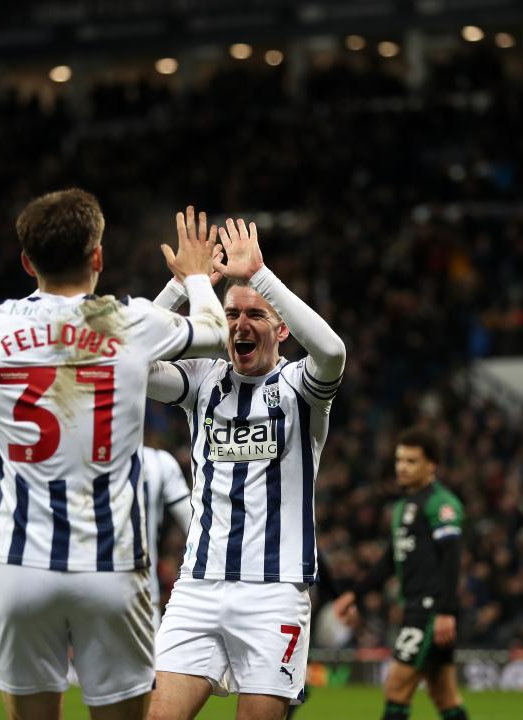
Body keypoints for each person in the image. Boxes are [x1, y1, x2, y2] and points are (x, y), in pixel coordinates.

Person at [0, 190, 228, 720]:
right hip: (110, 563)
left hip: (19, 562)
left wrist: (172, 290)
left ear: (26, 261)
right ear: (98, 257)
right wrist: (195, 278)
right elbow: (212, 332)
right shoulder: (131, 321)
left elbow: (94, 338)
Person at [147, 218, 346, 719]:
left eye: (255, 313)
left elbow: (332, 351)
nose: (239, 323)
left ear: (281, 328)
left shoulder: (300, 389)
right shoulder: (202, 381)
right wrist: (181, 285)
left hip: (275, 593)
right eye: (231, 313)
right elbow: (129, 360)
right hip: (198, 585)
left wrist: (259, 275)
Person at [333, 428, 469, 720]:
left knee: (396, 687)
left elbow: (452, 559)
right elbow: (388, 562)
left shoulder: (440, 503)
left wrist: (446, 610)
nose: (402, 467)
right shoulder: (403, 506)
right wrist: (354, 594)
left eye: (411, 461)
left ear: (431, 465)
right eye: (399, 460)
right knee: (444, 696)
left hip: (430, 611)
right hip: (417, 608)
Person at [142, 446, 193, 626]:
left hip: (77, 593)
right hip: (142, 602)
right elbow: (196, 529)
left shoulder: (73, 460)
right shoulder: (156, 462)